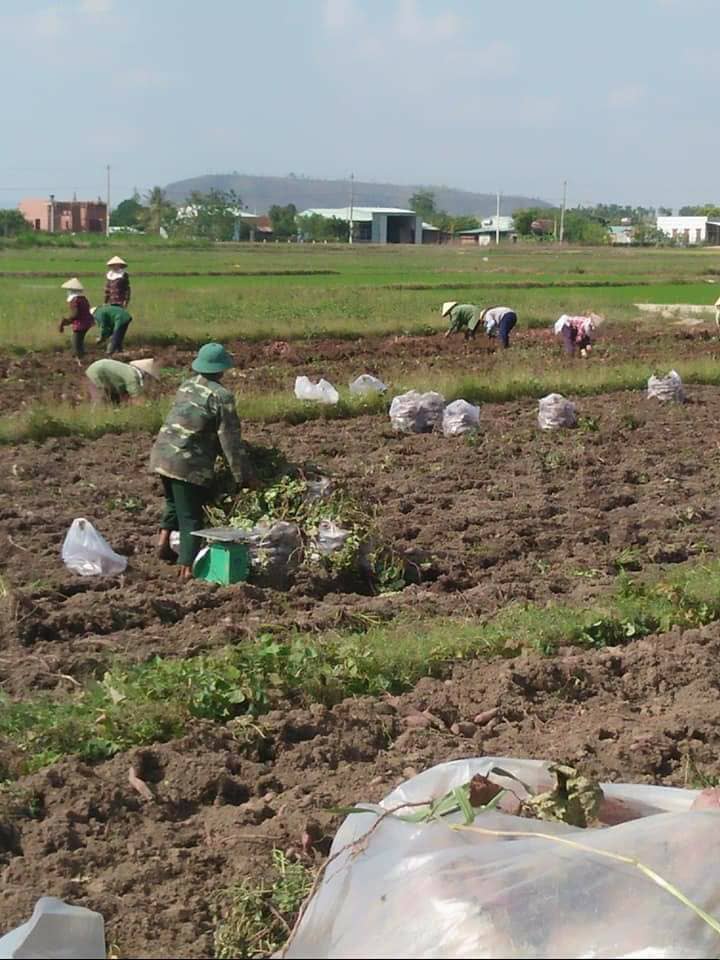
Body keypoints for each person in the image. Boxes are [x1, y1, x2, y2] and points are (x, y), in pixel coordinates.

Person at [149, 342, 255, 579]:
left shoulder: (186, 386)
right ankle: (187, 569)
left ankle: (163, 541)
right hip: (186, 463)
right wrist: (243, 476)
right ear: (221, 368)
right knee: (191, 516)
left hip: (162, 454)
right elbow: (230, 441)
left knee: (174, 503)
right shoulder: (221, 395)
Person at [86, 357, 158, 405]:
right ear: (145, 374)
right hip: (97, 373)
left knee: (114, 401)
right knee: (100, 401)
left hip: (99, 370)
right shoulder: (133, 376)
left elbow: (124, 393)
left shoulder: (129, 370)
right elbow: (136, 397)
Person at [59, 278, 94, 360]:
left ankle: (79, 359)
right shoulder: (83, 298)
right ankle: (81, 357)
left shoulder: (74, 300)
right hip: (87, 322)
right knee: (80, 341)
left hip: (80, 324)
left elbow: (75, 315)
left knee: (76, 342)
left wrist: (65, 322)